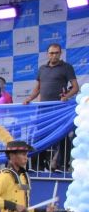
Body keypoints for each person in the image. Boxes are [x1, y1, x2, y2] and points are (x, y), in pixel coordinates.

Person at [23, 43, 80, 171]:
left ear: (60, 53)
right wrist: (29, 98)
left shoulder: (67, 67)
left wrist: (66, 97)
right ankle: (38, 165)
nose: (53, 55)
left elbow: (75, 87)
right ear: (47, 54)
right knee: (39, 136)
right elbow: (37, 89)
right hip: (43, 109)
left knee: (62, 136)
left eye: (56, 53)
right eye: (51, 53)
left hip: (59, 109)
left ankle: (61, 165)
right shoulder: (42, 69)